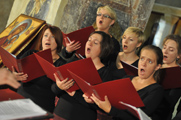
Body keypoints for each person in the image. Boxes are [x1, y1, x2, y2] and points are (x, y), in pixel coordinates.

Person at [84, 45, 166, 120]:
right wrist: (94, 100)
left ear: (157, 66)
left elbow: (139, 116)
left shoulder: (157, 90)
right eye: (142, 59)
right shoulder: (127, 79)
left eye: (150, 61)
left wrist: (110, 109)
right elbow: (109, 104)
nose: (143, 64)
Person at [52, 31, 114, 120]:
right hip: (59, 114)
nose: (90, 43)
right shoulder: (75, 61)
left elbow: (102, 107)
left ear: (104, 48)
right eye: (89, 40)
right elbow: (53, 89)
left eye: (95, 42)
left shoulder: (105, 73)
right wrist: (59, 86)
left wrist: (75, 95)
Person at [14, 25, 66, 113]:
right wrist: (15, 76)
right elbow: (16, 70)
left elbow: (58, 91)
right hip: (20, 100)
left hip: (40, 107)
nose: (48, 39)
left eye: (52, 37)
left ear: (58, 42)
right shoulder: (30, 53)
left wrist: (59, 86)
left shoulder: (61, 64)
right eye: (45, 35)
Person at [161, 34, 181, 119]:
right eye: (164, 47)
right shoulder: (156, 66)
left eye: (171, 50)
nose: (165, 52)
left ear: (178, 55)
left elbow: (170, 102)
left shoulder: (178, 74)